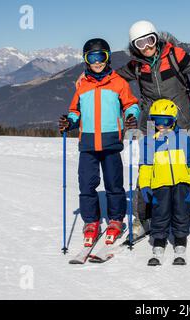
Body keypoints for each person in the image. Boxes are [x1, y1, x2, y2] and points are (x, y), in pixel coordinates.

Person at [76, 21, 190, 243]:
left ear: (156, 38)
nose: (147, 47)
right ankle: (143, 221)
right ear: (134, 46)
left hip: (181, 123)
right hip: (152, 127)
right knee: (147, 174)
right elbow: (111, 77)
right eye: (140, 43)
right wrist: (85, 78)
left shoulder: (174, 55)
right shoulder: (136, 66)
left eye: (150, 40)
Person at [59, 38, 140, 248]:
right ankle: (91, 222)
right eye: (92, 57)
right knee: (86, 184)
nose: (97, 62)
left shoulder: (118, 82)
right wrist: (69, 122)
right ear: (86, 60)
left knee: (114, 185)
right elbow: (75, 110)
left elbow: (131, 104)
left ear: (108, 57)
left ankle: (115, 220)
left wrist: (131, 116)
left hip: (111, 141)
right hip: (87, 144)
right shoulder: (82, 85)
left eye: (101, 57)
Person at [138, 99, 190, 266]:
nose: (161, 125)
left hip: (182, 183)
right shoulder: (148, 141)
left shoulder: (185, 139)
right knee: (160, 212)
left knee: (181, 210)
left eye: (165, 121)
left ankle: (180, 239)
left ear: (173, 120)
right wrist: (145, 185)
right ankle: (159, 240)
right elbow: (145, 166)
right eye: (157, 121)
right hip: (159, 183)